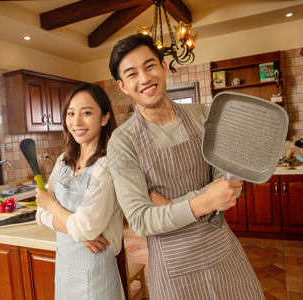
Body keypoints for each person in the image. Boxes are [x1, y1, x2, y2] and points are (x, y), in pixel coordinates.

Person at [106, 34, 264, 300]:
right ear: (122, 86)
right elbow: (142, 221)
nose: (145, 79)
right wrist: (205, 200)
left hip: (221, 250)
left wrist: (167, 205)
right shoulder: (123, 142)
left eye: (150, 66)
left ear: (164, 67)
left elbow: (228, 186)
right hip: (173, 266)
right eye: (132, 74)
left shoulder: (204, 115)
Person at [35, 83, 124, 300]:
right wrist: (76, 229)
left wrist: (52, 206)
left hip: (96, 274)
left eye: (86, 113)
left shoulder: (106, 165)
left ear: (104, 118)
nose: (77, 122)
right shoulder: (64, 161)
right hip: (65, 269)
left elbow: (79, 225)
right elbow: (40, 215)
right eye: (71, 113)